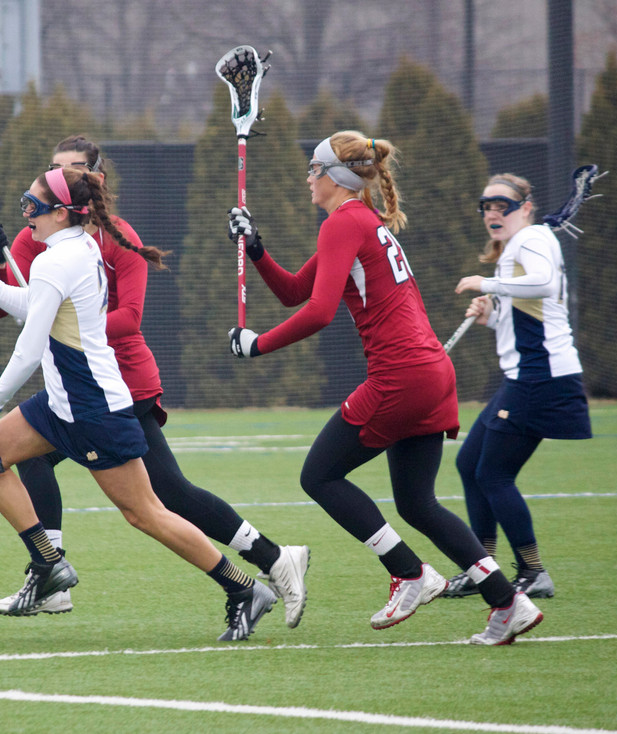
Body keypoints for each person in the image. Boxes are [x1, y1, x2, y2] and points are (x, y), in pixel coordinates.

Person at [226, 130, 543, 645]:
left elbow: (319, 312)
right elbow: (294, 291)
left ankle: (409, 573)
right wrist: (256, 248)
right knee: (417, 503)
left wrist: (257, 345)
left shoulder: (344, 223)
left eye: (313, 169)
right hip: (430, 372)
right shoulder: (358, 221)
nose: (308, 178)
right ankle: (509, 602)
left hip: (401, 375)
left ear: (334, 176)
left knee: (319, 476)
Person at [0, 135, 309, 628]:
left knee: (165, 497)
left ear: (93, 182)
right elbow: (11, 309)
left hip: (119, 383)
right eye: (54, 168)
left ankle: (271, 559)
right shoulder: (39, 234)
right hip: (71, 387)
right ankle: (50, 573)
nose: (61, 177)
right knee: (19, 458)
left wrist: (75, 326)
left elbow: (127, 318)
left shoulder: (112, 237)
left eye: (73, 170)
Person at [445, 173, 591, 601]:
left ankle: (533, 571)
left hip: (541, 377)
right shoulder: (518, 245)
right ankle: (483, 570)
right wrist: (492, 315)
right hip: (524, 375)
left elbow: (545, 283)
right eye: (486, 206)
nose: (492, 213)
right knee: (470, 464)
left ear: (525, 208)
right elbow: (532, 314)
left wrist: (487, 284)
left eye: (502, 206)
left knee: (493, 474)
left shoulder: (532, 238)